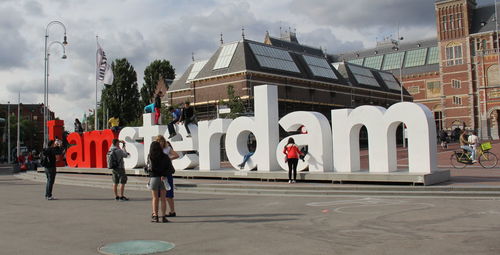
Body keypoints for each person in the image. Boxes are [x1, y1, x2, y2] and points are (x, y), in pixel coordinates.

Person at [148, 141, 175, 223]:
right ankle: (163, 216)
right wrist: (163, 174)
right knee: (163, 198)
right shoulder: (165, 156)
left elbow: (149, 168)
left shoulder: (150, 156)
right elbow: (169, 168)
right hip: (163, 178)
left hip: (154, 178)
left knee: (155, 198)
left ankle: (155, 216)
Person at [156, 135, 179, 217]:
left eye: (161, 141)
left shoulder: (167, 149)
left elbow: (176, 155)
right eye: (158, 141)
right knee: (159, 195)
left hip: (167, 173)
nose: (160, 142)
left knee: (169, 194)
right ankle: (160, 212)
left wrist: (169, 159)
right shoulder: (156, 150)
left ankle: (172, 211)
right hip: (158, 174)